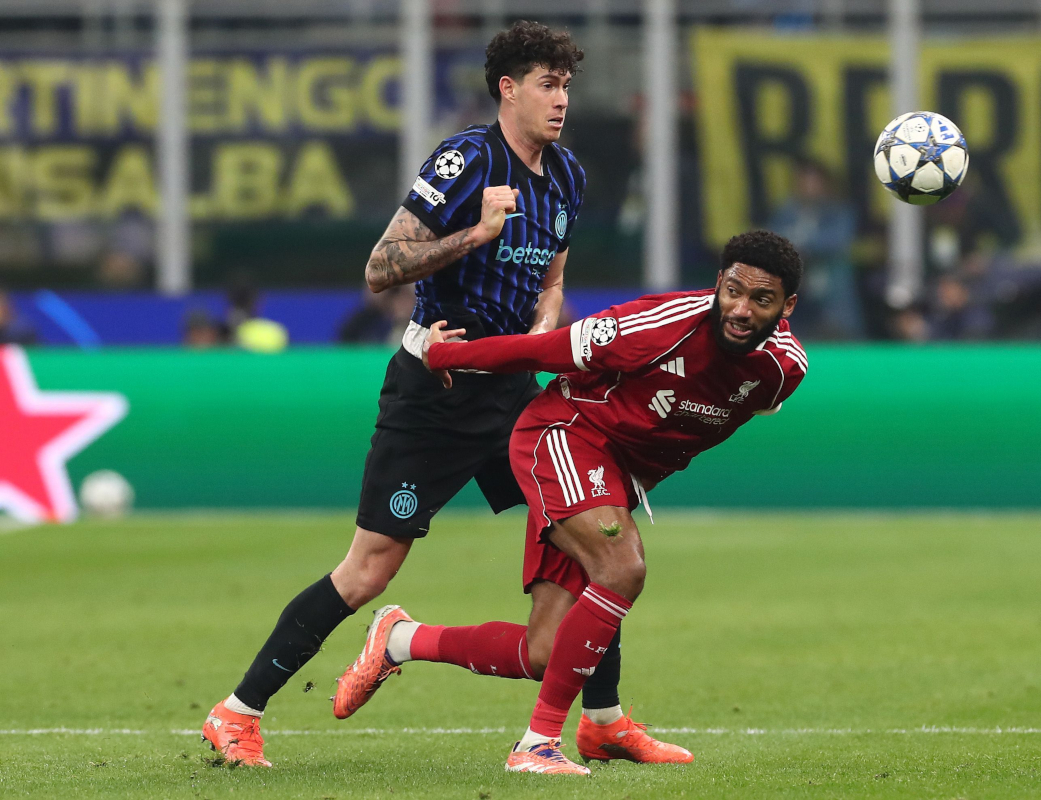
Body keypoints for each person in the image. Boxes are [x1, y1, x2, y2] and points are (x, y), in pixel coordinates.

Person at [202, 21, 685, 767]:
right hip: (435, 392)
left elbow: (551, 281)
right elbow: (380, 267)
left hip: (515, 397)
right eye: (549, 85)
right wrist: (474, 234)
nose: (561, 100)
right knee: (368, 569)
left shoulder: (568, 176)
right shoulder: (465, 159)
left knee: (596, 535)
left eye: (567, 86)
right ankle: (237, 712)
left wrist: (543, 335)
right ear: (509, 88)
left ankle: (605, 720)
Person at [334, 230, 806, 774]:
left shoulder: (782, 371)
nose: (741, 310)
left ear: (787, 306)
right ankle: (537, 745)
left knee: (544, 652)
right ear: (718, 283)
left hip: (613, 475)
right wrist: (450, 355)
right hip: (562, 434)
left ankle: (400, 639)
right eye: (733, 291)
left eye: (762, 300)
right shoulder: (660, 325)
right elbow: (543, 349)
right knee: (621, 565)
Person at [768, 158, 860, 338]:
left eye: (814, 181)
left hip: (832, 295)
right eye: (804, 181)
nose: (809, 187)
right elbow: (772, 240)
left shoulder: (839, 212)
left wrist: (802, 247)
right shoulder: (786, 213)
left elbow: (835, 241)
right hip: (798, 298)